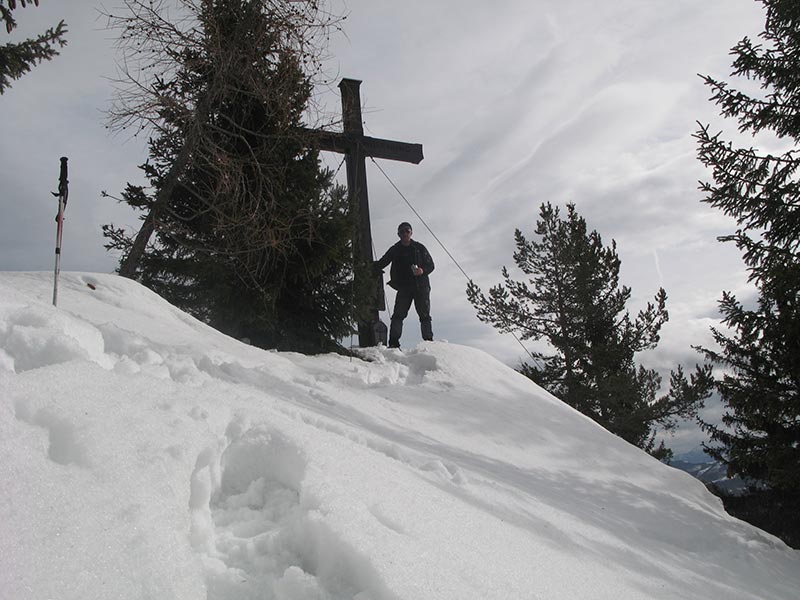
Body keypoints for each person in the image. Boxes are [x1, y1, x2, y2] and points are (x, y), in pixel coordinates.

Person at [374, 221, 435, 348]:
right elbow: (383, 262)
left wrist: (422, 270)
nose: (405, 233)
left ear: (411, 232)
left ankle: (429, 343)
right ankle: (394, 344)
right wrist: (369, 267)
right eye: (402, 231)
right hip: (404, 288)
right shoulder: (395, 249)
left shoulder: (419, 248)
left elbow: (431, 265)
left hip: (421, 286)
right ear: (398, 234)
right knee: (398, 315)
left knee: (424, 315)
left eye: (407, 231)